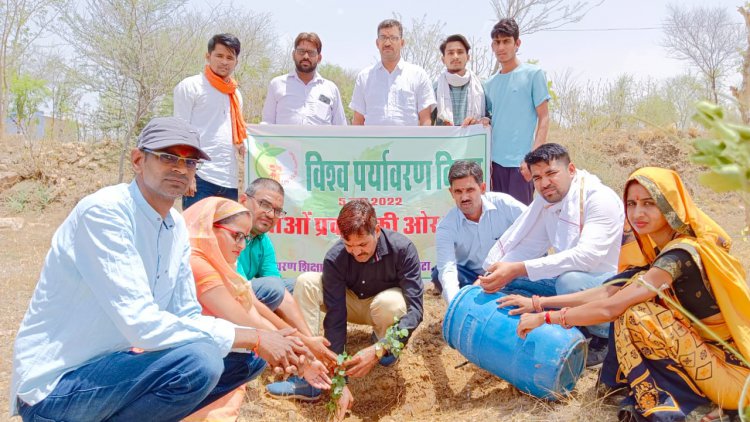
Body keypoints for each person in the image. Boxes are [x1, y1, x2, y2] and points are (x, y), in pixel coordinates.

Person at [9, 117, 309, 421]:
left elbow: (186, 314)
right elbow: (142, 325)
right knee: (200, 361)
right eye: (168, 157)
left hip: (116, 370)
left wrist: (264, 341)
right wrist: (256, 336)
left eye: (189, 162)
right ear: (138, 160)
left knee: (246, 360)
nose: (180, 169)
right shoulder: (105, 213)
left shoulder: (174, 225)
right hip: (58, 386)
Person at [500, 167, 750, 422]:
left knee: (637, 315)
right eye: (631, 204)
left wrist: (546, 318)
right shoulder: (659, 253)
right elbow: (606, 291)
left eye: (649, 203)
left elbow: (611, 307)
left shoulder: (679, 256)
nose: (637, 213)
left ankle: (693, 405)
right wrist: (536, 303)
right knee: (632, 306)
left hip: (735, 380)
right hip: (714, 363)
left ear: (670, 205)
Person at [182, 197, 331, 419]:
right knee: (254, 353)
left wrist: (303, 350)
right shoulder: (196, 262)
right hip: (187, 360)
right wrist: (302, 354)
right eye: (236, 236)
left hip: (212, 352)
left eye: (245, 238)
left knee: (254, 357)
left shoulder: (225, 263)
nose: (241, 245)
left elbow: (253, 311)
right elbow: (242, 319)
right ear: (209, 229)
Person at [479, 143, 623, 366]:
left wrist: (519, 268)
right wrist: (497, 272)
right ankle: (560, 323)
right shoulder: (548, 202)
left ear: (571, 170)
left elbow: (586, 257)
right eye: (537, 178)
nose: (544, 183)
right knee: (510, 281)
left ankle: (603, 337)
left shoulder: (599, 199)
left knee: (569, 281)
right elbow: (528, 246)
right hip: (568, 279)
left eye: (551, 173)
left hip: (605, 285)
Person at [294, 199, 424, 418]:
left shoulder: (402, 249)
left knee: (392, 304)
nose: (356, 252)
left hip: (381, 306)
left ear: (377, 230)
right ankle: (310, 364)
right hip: (350, 303)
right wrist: (339, 380)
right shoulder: (336, 257)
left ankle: (383, 345)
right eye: (348, 245)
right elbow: (335, 319)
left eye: (362, 244)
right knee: (306, 281)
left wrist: (379, 349)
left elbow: (416, 310)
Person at [236, 178, 337, 401]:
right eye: (264, 205)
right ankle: (308, 354)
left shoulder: (262, 240)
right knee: (275, 287)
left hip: (248, 298)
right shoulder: (229, 232)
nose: (271, 215)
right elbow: (247, 295)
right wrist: (303, 340)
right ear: (244, 200)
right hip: (225, 303)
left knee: (298, 284)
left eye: (277, 210)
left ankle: (314, 353)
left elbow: (280, 292)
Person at [433, 160, 526, 303]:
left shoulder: (504, 204)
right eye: (458, 191)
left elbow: (534, 227)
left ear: (482, 188)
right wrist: (456, 305)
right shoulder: (446, 227)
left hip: (508, 273)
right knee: (438, 273)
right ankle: (471, 301)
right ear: (451, 192)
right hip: (471, 279)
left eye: (470, 190)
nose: (464, 198)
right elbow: (448, 270)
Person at [174, 33, 247, 209]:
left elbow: (235, 136)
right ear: (208, 56)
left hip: (229, 180)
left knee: (226, 235)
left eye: (230, 57)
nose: (224, 62)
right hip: (200, 177)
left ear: (236, 62)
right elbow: (181, 133)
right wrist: (187, 175)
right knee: (198, 235)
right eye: (219, 55)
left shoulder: (235, 94)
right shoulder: (190, 86)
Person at [482, 18, 550, 205]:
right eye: (497, 42)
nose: (501, 47)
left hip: (521, 166)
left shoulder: (534, 74)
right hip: (494, 166)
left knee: (521, 224)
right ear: (492, 46)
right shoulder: (488, 84)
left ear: (517, 43)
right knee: (497, 222)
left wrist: (532, 160)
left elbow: (544, 118)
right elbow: (488, 120)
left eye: (506, 41)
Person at [350, 19, 436, 126]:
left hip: (408, 141)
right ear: (377, 43)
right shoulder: (364, 77)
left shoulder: (418, 75)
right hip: (373, 142)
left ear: (402, 43)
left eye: (393, 38)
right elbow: (358, 121)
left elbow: (425, 120)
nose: (387, 43)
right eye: (383, 38)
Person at [262, 32, 347, 125]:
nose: (306, 56)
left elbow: (341, 127)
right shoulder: (277, 85)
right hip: (284, 140)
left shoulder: (331, 89)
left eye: (311, 53)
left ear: (319, 58)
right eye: (301, 52)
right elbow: (267, 123)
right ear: (293, 55)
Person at [432, 34, 487, 127]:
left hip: (473, 140)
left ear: (468, 57)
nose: (455, 56)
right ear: (443, 59)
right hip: (444, 140)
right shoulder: (434, 89)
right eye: (450, 53)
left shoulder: (482, 87)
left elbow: (489, 117)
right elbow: (427, 123)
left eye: (460, 52)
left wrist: (482, 121)